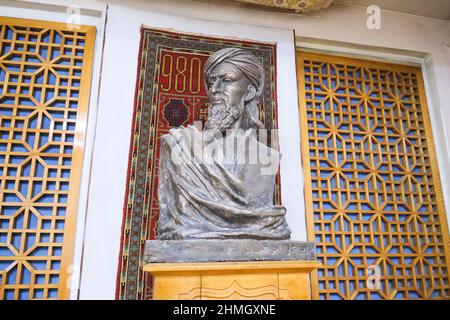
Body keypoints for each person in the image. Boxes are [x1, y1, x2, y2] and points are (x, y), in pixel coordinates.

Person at [156, 48, 291, 240]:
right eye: (212, 81)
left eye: (226, 80)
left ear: (249, 92)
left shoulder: (266, 157)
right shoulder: (181, 145)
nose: (214, 89)